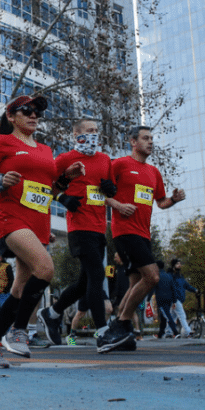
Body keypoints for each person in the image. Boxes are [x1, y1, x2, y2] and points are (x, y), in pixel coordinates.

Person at [0, 94, 84, 368]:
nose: (33, 116)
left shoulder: (45, 151)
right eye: (26, 111)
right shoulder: (3, 142)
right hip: (12, 217)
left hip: (39, 223)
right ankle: (19, 330)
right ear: (11, 117)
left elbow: (49, 190)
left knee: (20, 289)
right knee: (46, 269)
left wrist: (68, 177)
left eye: (37, 113)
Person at [98, 126, 185, 352]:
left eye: (152, 139)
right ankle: (122, 322)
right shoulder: (119, 164)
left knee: (137, 282)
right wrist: (118, 205)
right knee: (153, 276)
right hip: (125, 231)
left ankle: (118, 327)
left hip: (144, 233)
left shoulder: (154, 172)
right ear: (133, 142)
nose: (150, 142)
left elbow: (161, 202)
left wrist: (173, 200)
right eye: (146, 138)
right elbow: (97, 192)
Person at [38, 119, 116, 346]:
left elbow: (109, 187)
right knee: (97, 276)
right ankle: (103, 332)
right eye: (89, 131)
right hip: (78, 226)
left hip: (99, 226)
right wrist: (63, 198)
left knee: (85, 283)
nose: (94, 135)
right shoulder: (64, 160)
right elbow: (46, 187)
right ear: (76, 134)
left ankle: (52, 312)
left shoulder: (104, 160)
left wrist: (111, 189)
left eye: (96, 131)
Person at [168, 258, 197, 338]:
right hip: (174, 299)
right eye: (177, 264)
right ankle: (188, 332)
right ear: (173, 265)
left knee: (173, 316)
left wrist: (195, 290)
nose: (180, 265)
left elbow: (186, 285)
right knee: (182, 316)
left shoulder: (180, 276)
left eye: (180, 263)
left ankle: (168, 333)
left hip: (179, 299)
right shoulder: (171, 276)